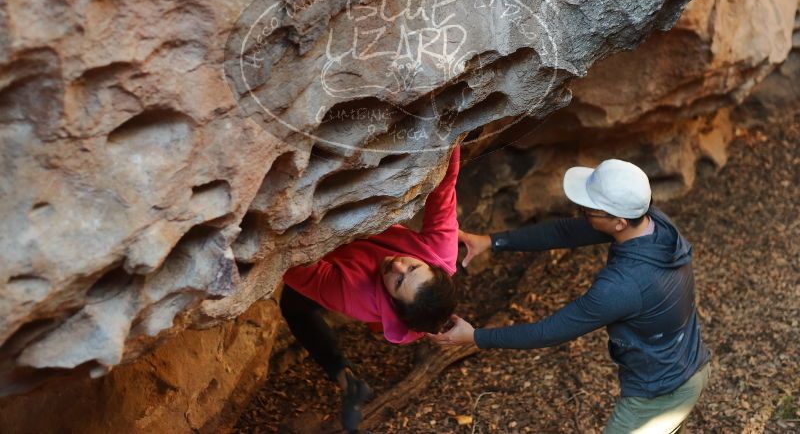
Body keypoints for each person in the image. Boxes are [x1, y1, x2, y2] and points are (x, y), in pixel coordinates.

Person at [430, 159, 711, 434]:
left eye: (591, 209)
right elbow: (564, 232)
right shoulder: (654, 224)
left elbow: (547, 331)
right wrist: (492, 241)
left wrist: (476, 337)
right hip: (688, 367)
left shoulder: (621, 286)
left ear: (619, 223)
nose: (583, 210)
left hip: (660, 395)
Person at [281, 146, 460, 433]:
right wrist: (452, 133)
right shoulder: (440, 252)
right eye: (413, 268)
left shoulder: (353, 293)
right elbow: (445, 187)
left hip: (339, 259)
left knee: (295, 306)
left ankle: (343, 373)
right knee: (298, 306)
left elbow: (288, 265)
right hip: (368, 244)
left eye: (399, 282)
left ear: (391, 301)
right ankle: (346, 379)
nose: (398, 267)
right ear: (430, 266)